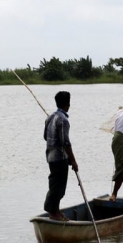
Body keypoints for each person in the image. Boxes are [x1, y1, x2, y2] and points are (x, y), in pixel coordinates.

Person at [43, 91, 79, 221]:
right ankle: (53, 212)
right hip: (59, 157)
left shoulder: (50, 117)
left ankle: (54, 210)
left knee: (55, 183)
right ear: (67, 104)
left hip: (50, 156)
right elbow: (66, 142)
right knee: (59, 186)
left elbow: (45, 137)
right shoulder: (63, 120)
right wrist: (73, 160)